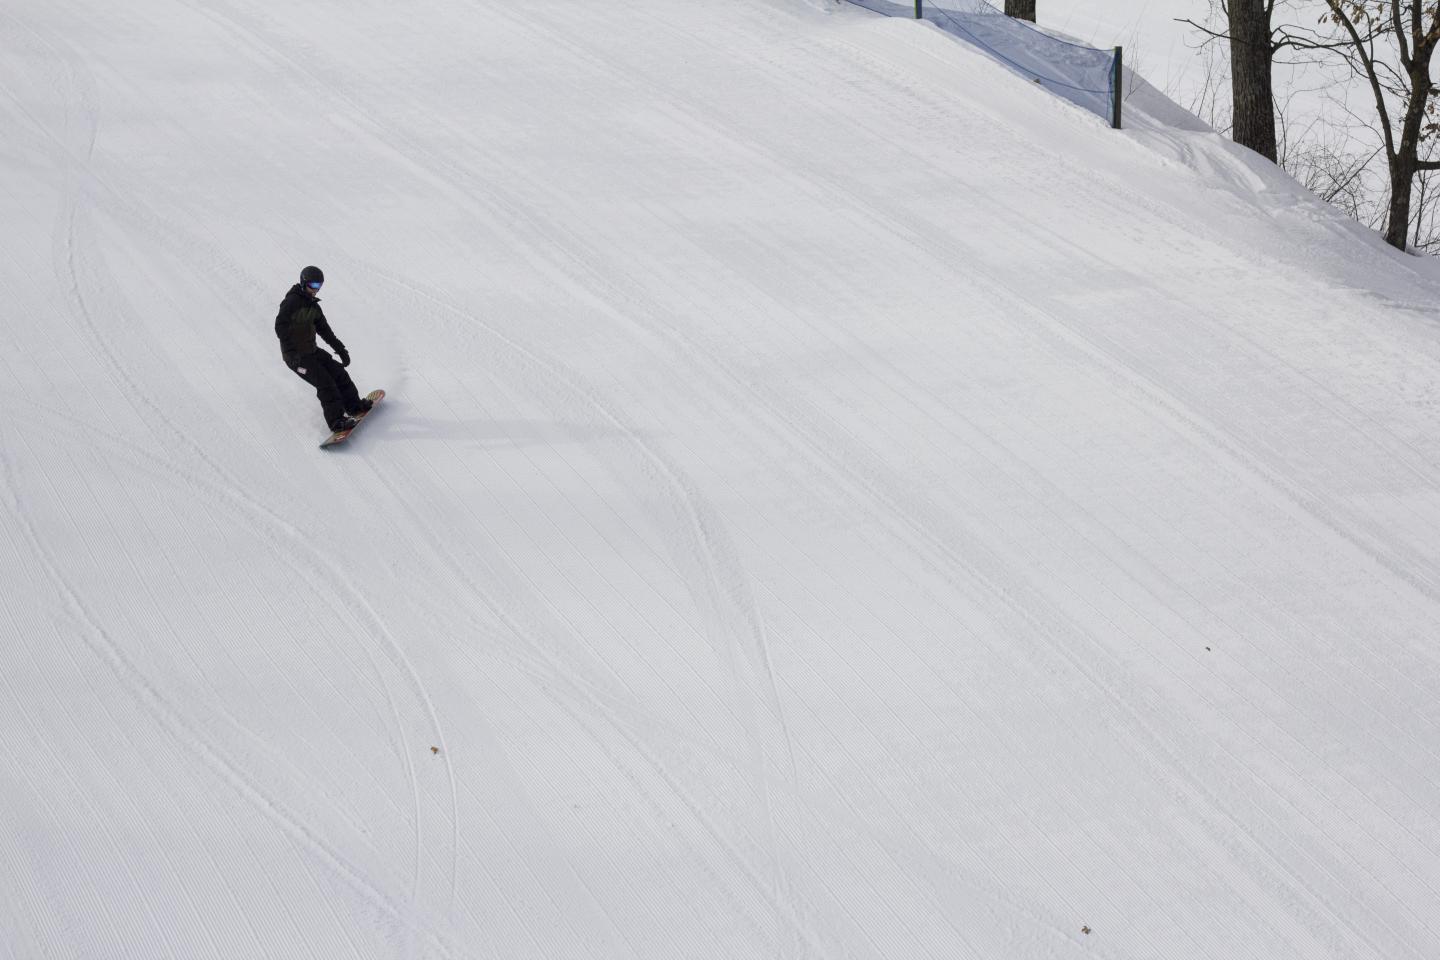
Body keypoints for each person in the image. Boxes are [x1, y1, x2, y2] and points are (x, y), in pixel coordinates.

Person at [275, 265, 372, 432]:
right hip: (296, 358)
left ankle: (354, 406)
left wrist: (341, 350)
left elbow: (325, 331)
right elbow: (280, 326)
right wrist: (291, 353)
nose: (316, 290)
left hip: (311, 352)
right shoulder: (291, 302)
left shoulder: (313, 306)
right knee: (325, 383)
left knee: (339, 373)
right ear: (304, 282)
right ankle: (336, 421)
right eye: (313, 286)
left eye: (319, 286)